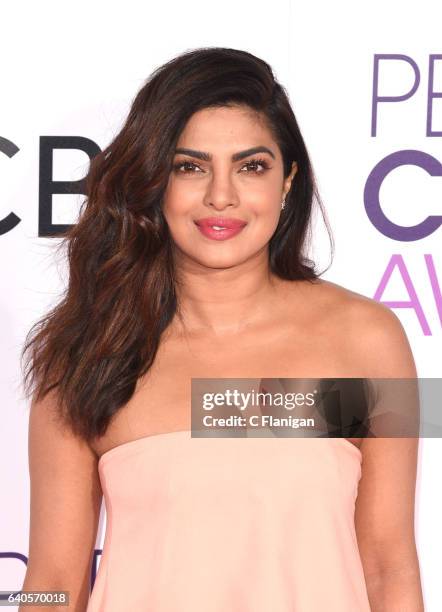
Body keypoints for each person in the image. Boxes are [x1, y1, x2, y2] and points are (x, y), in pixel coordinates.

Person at [19, 47, 424, 611]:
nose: (221, 195)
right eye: (191, 166)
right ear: (155, 180)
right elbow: (54, 580)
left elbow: (389, 565)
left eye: (251, 166)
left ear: (288, 182)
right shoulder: (90, 354)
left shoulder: (363, 340)